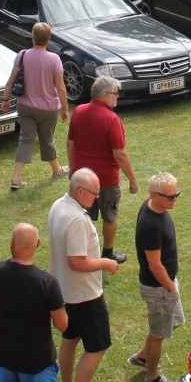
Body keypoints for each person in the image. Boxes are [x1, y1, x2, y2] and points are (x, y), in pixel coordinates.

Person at [48, 168, 120, 382]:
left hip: (65, 293)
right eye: (94, 193)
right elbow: (77, 262)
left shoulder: (58, 205)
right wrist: (106, 263)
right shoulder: (78, 219)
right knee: (98, 346)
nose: (97, 198)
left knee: (70, 340)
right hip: (85, 295)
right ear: (80, 191)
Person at [0, 222, 68, 382]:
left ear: (12, 243)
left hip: (5, 359)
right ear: (38, 244)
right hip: (37, 364)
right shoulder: (47, 283)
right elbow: (62, 325)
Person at [67, 74, 138, 264]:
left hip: (81, 178)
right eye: (116, 93)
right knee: (110, 216)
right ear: (105, 95)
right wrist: (132, 179)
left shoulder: (79, 111)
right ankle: (107, 254)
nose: (117, 97)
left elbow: (70, 143)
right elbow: (119, 154)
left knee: (81, 216)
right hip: (106, 179)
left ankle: (82, 251)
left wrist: (73, 171)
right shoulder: (112, 119)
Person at [129, 171, 184, 382]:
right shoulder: (152, 225)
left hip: (165, 284)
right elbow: (155, 265)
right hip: (159, 287)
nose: (174, 200)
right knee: (159, 333)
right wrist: (171, 288)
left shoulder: (153, 206)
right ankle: (152, 377)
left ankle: (142, 357)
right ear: (154, 195)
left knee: (172, 322)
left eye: (176, 194)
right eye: (170, 197)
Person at [3, 22, 69, 190]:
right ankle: (56, 170)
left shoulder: (23, 55)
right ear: (48, 39)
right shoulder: (54, 59)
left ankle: (16, 178)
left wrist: (5, 100)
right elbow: (60, 87)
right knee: (47, 139)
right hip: (48, 108)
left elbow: (11, 80)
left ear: (32, 37)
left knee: (26, 140)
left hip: (25, 106)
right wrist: (65, 109)